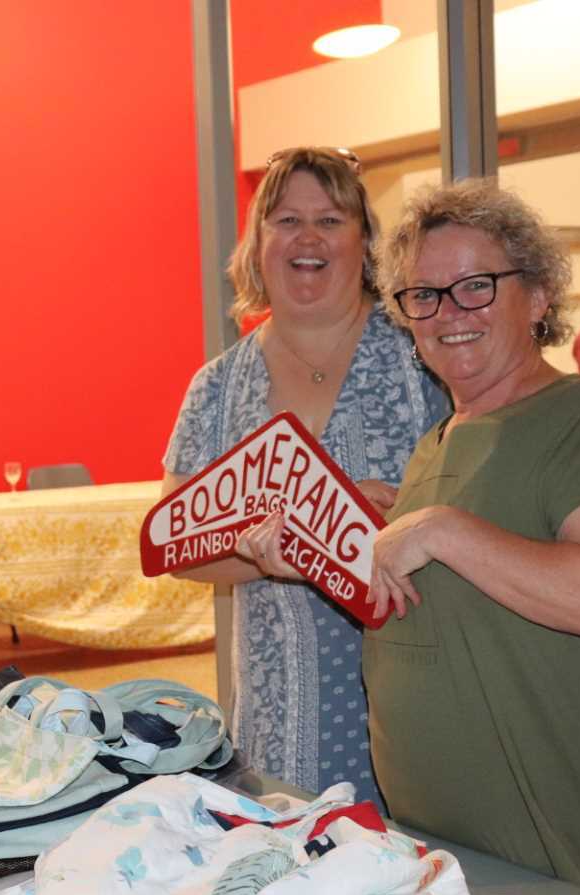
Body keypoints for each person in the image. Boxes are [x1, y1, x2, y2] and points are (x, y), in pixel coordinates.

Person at [361, 180, 580, 895]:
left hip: (562, 859)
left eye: (475, 286)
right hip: (443, 865)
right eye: (423, 295)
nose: (447, 313)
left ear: (536, 298)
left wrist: (437, 526)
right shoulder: (434, 445)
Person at [162, 146, 449, 810]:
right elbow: (179, 546)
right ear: (258, 244)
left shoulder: (427, 359)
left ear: (365, 241)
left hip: (420, 694)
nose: (309, 238)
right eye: (287, 219)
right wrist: (272, 555)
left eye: (331, 218)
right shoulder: (216, 386)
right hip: (278, 704)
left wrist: (400, 514)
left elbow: (485, 497)